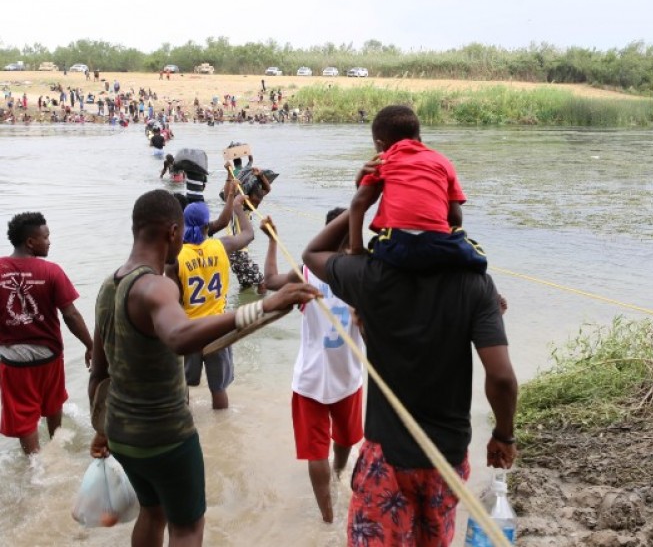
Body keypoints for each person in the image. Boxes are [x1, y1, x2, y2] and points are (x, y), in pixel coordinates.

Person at [88, 189, 318, 546]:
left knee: (153, 512)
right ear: (173, 232)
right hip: (166, 435)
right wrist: (263, 306)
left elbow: (98, 373)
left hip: (121, 433)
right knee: (187, 528)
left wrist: (101, 430)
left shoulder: (108, 286)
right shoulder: (157, 286)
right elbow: (180, 336)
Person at [303, 208, 517, 547]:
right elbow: (502, 377)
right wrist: (504, 436)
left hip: (386, 456)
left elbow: (312, 254)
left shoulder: (371, 277)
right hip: (445, 456)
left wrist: (361, 202)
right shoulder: (476, 284)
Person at [262, 210, 364, 523]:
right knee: (346, 440)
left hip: (310, 380)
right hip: (349, 377)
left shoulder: (307, 271)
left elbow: (269, 282)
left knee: (316, 452)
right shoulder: (365, 273)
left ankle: (327, 519)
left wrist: (272, 243)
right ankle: (338, 475)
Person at [349, 105, 487, 273]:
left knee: (377, 243)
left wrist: (356, 249)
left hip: (397, 248)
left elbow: (358, 203)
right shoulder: (442, 162)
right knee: (474, 251)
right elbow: (455, 217)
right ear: (419, 139)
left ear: (380, 145)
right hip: (438, 247)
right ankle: (486, 289)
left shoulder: (382, 161)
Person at [0, 212, 93, 454]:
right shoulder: (52, 271)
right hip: (49, 356)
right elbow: (70, 315)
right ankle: (56, 448)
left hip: (14, 360)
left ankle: (35, 466)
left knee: (23, 413)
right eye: (46, 237)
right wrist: (90, 345)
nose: (50, 241)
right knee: (53, 402)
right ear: (31, 242)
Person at [169, 199, 255, 410]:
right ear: (207, 226)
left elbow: (173, 300)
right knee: (218, 389)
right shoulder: (221, 246)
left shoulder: (176, 258)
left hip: (190, 330)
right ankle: (223, 427)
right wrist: (237, 209)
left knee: (184, 387)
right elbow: (248, 234)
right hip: (218, 327)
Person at [228, 166, 277, 290]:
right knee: (262, 283)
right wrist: (233, 188)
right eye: (255, 202)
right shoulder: (237, 207)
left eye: (259, 202)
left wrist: (260, 175)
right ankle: (263, 307)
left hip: (238, 254)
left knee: (246, 285)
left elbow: (267, 189)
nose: (256, 205)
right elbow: (231, 198)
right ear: (246, 198)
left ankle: (245, 306)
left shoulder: (246, 206)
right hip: (238, 254)